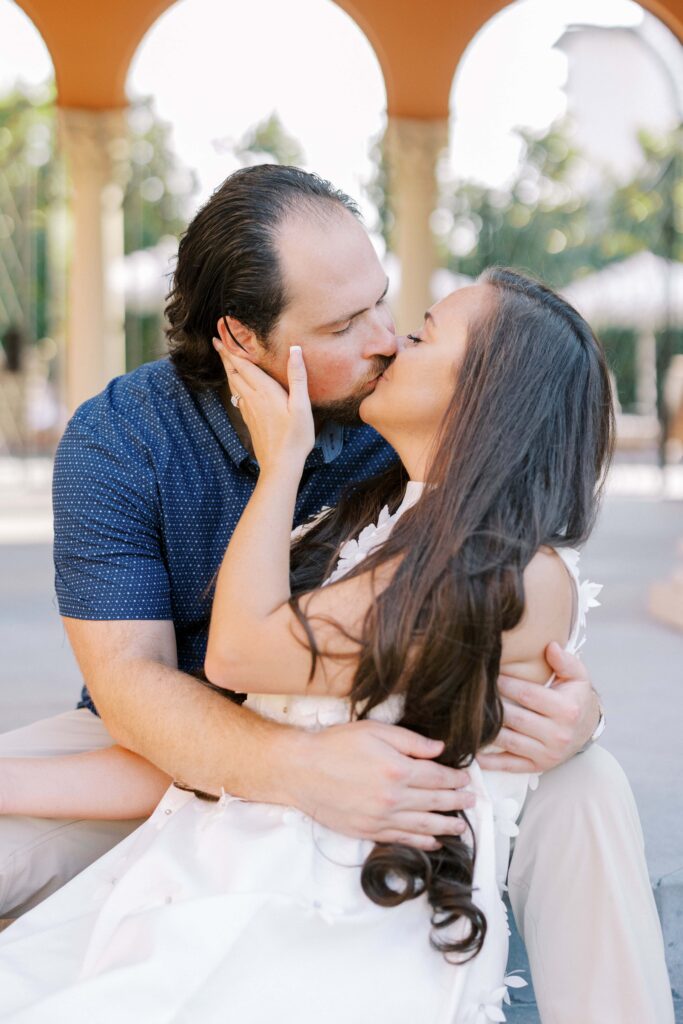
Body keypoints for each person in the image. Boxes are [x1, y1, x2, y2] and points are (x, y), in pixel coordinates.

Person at [0, 167, 673, 1023]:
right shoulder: (121, 439)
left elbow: (512, 578)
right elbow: (136, 694)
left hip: (388, 756)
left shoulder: (399, 416)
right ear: (241, 339)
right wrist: (292, 769)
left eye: (387, 306)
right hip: (158, 741)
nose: (387, 339)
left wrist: (573, 709)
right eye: (345, 324)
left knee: (586, 782)